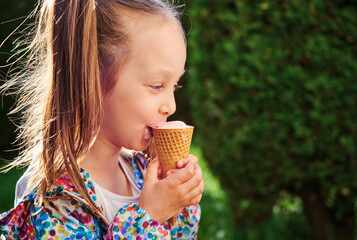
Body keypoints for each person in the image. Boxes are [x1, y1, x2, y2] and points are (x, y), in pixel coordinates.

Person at [0, 0, 204, 239]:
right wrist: (150, 217)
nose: (171, 105)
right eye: (157, 85)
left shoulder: (140, 172)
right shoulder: (55, 203)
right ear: (92, 81)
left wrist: (178, 205)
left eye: (175, 86)